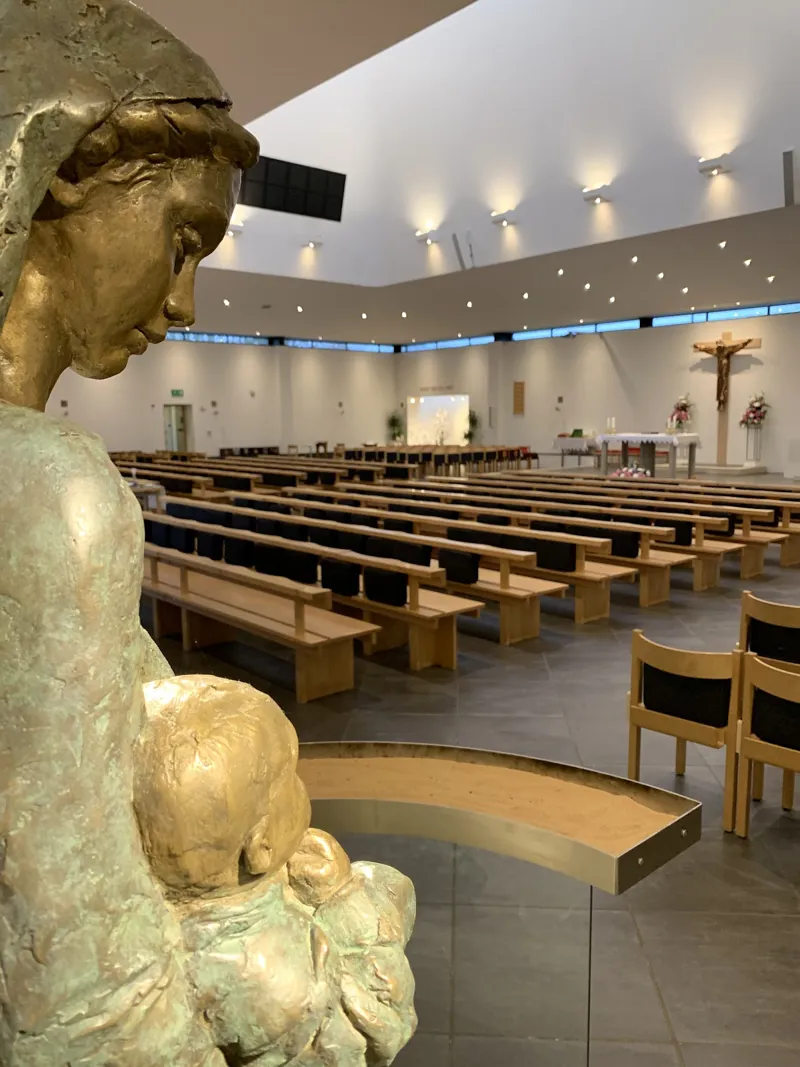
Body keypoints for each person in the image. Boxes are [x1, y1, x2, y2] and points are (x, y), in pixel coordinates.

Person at [0, 2, 260, 1063]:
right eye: (182, 238)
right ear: (66, 173)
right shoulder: (49, 488)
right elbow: (88, 997)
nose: (185, 299)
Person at [133, 677, 417, 1066]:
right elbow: (374, 1033)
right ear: (261, 847)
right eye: (291, 779)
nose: (302, 786)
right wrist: (342, 897)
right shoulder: (269, 971)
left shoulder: (169, 934)